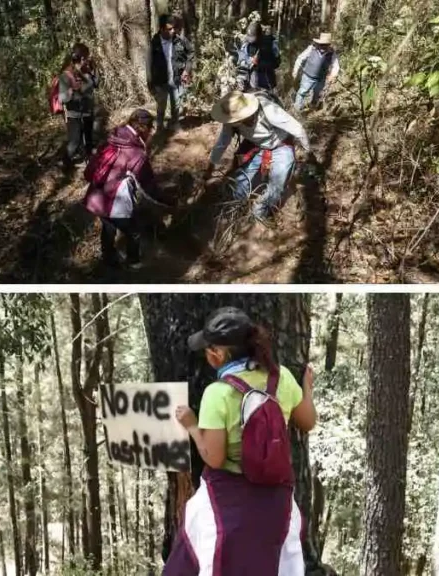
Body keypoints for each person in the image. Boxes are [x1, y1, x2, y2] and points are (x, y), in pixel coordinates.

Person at [163, 307, 318, 575]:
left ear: (219, 354)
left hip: (229, 501)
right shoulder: (281, 378)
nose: (206, 353)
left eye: (208, 348)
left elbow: (214, 457)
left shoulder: (218, 393)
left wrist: (191, 425)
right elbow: (307, 422)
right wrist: (307, 389)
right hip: (276, 503)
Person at [204, 90, 315, 221]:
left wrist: (308, 154)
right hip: (258, 146)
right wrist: (209, 169)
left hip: (281, 145)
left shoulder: (268, 109)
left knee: (277, 184)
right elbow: (222, 143)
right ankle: (234, 207)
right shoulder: (231, 121)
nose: (234, 122)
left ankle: (260, 212)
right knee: (242, 179)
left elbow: (298, 129)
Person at [82, 109, 158, 269]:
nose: (151, 131)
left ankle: (108, 259)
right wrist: (170, 202)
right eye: (151, 127)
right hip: (114, 204)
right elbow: (149, 186)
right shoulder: (135, 153)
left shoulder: (112, 138)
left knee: (108, 226)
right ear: (143, 128)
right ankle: (134, 262)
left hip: (96, 198)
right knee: (134, 230)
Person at [147, 14, 195, 131]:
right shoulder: (154, 43)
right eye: (169, 29)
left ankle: (175, 124)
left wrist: (186, 70)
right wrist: (150, 84)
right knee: (161, 105)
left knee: (176, 104)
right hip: (160, 80)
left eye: (173, 28)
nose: (173, 31)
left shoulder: (180, 41)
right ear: (162, 29)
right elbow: (148, 64)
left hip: (176, 78)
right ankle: (159, 127)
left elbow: (191, 53)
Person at [58, 42, 100, 166]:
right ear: (82, 58)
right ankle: (64, 162)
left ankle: (89, 162)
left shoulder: (87, 71)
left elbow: (96, 84)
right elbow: (62, 98)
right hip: (74, 115)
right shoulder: (66, 75)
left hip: (87, 111)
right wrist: (73, 91)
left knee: (89, 139)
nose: (88, 60)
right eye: (87, 58)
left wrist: (95, 70)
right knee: (74, 142)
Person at [293, 33, 340, 111]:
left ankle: (312, 108)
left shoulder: (331, 53)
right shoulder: (311, 49)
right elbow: (300, 58)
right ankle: (296, 109)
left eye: (325, 45)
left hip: (321, 79)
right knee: (302, 92)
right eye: (322, 44)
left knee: (317, 94)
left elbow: (336, 65)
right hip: (308, 76)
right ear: (318, 43)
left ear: (328, 45)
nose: (323, 46)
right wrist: (295, 71)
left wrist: (333, 75)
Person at [237, 21, 281, 95]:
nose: (251, 40)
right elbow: (241, 61)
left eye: (253, 37)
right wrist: (249, 62)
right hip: (252, 81)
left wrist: (261, 64)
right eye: (249, 37)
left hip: (267, 79)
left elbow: (277, 62)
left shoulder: (270, 43)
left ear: (259, 35)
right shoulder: (246, 44)